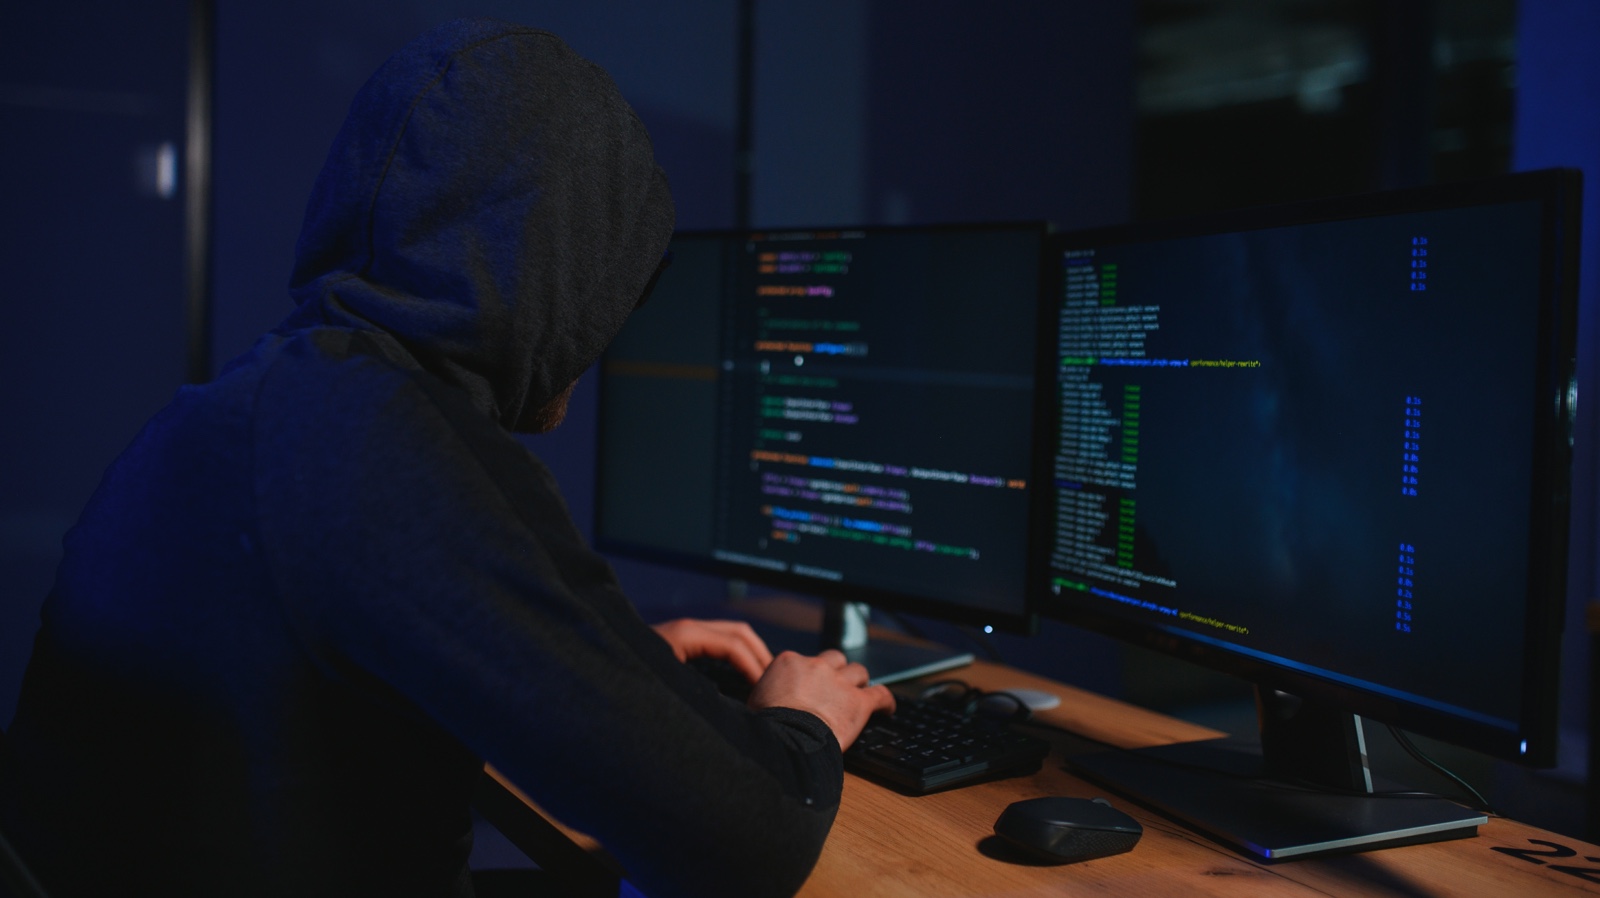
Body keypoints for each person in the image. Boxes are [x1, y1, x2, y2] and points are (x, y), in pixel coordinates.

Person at [0, 19, 893, 898]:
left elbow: (336, 671)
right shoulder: (387, 446)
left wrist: (593, 669)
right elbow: (742, 843)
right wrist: (802, 724)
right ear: (558, 267)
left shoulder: (252, 408)